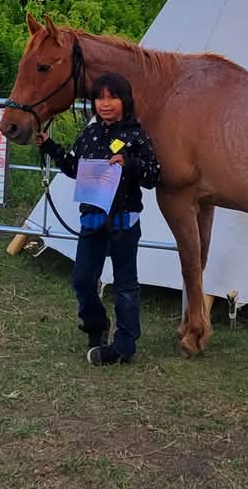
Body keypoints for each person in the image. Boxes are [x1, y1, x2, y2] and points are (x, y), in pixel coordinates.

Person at [35, 71, 160, 366]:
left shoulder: (136, 136)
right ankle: (96, 325)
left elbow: (154, 176)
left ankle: (125, 344)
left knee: (126, 286)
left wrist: (129, 163)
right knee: (82, 281)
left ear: (125, 100)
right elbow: (74, 167)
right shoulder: (90, 134)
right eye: (99, 98)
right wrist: (49, 146)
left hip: (124, 223)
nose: (105, 104)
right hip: (91, 221)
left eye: (112, 97)